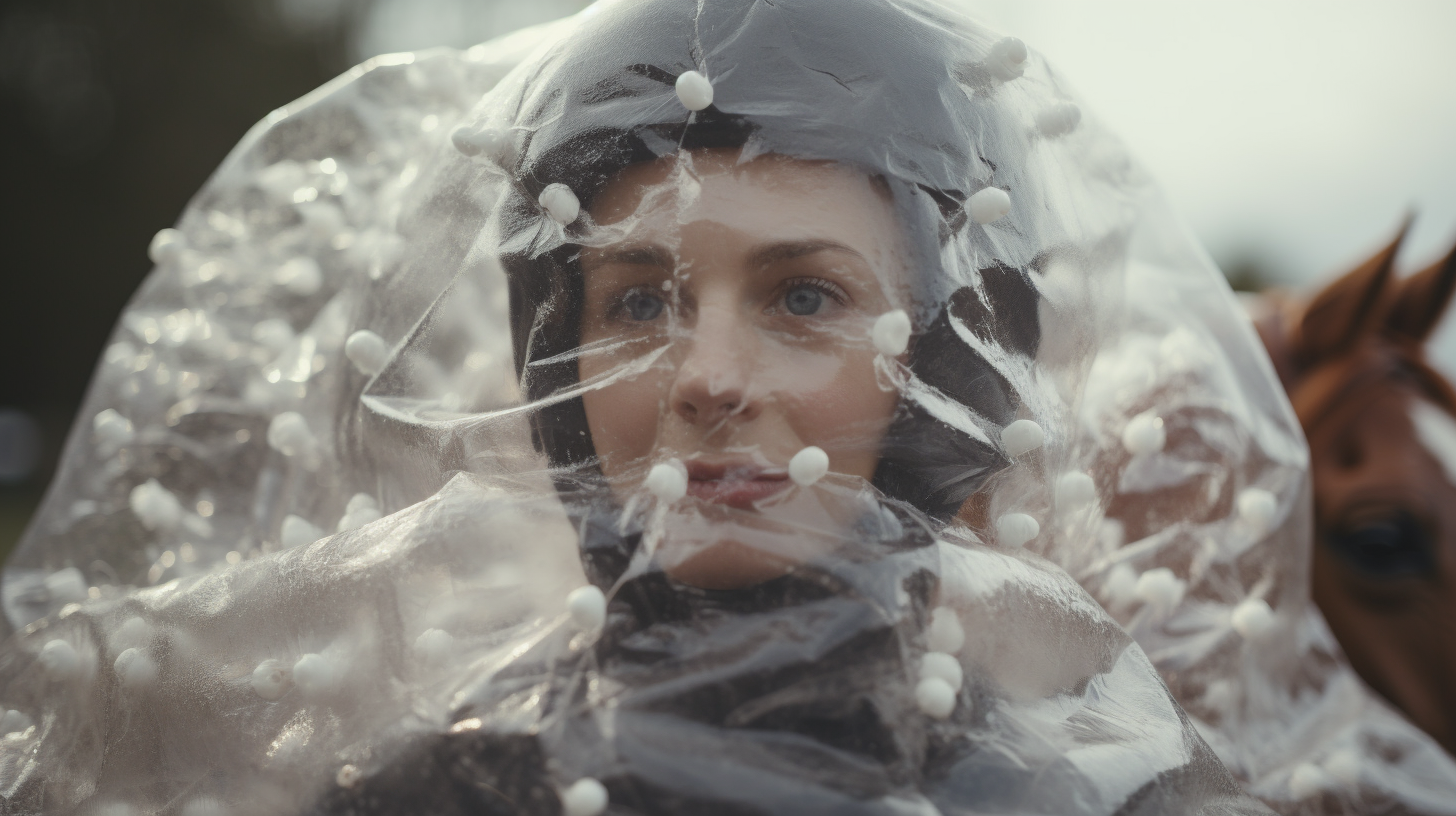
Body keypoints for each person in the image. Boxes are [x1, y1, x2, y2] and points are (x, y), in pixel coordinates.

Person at [3, 0, 1453, 814]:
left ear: (945, 360)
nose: (706, 375)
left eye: (804, 296)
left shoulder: (1094, 793)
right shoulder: (415, 791)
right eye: (636, 298)